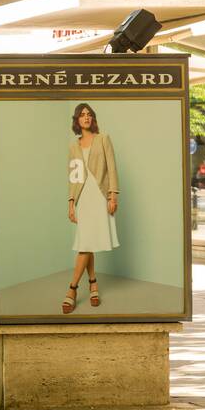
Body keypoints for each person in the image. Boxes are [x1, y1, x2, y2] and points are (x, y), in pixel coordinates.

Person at [65, 103, 119, 313]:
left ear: (92, 118)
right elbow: (73, 177)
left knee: (86, 243)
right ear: (77, 120)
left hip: (99, 195)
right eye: (82, 115)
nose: (86, 118)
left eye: (89, 115)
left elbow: (112, 168)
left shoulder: (103, 139)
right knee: (88, 242)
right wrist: (71, 202)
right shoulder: (73, 146)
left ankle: (72, 288)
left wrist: (113, 196)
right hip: (83, 198)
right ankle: (93, 283)